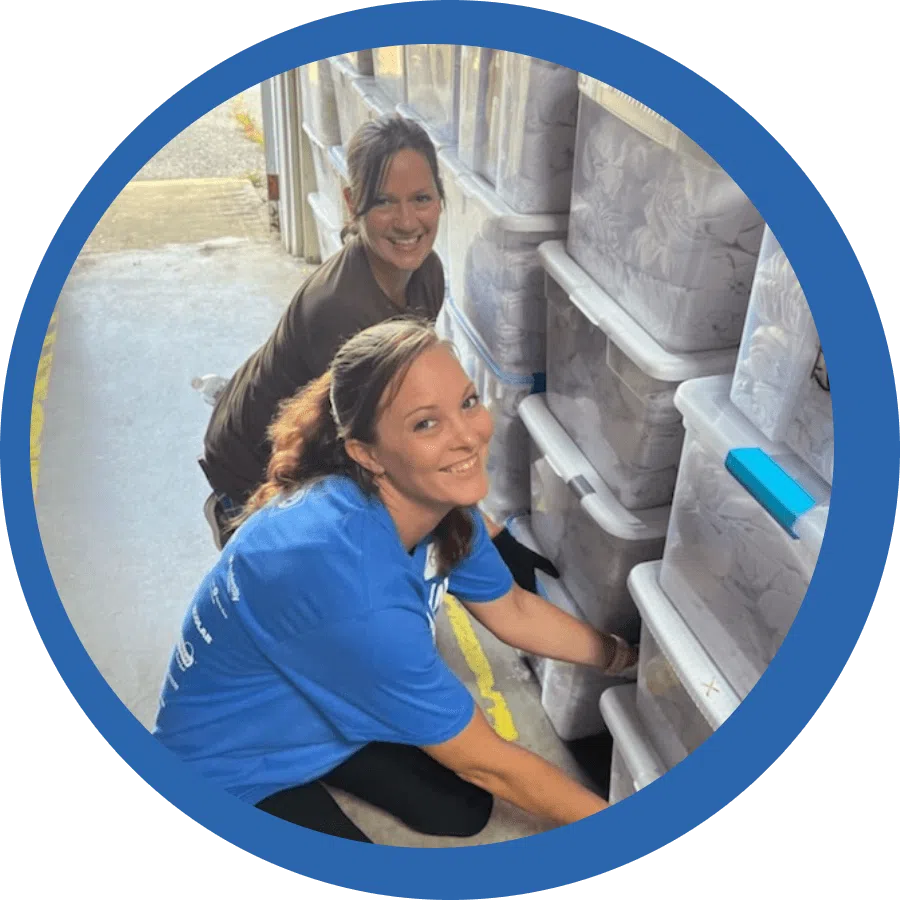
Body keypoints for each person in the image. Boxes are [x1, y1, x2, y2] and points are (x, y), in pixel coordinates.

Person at [155, 317, 638, 844]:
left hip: (315, 697)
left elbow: (514, 611)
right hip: (227, 763)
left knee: (460, 811)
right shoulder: (353, 588)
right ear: (366, 451)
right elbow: (491, 765)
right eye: (425, 424)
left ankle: (332, 739)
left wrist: (627, 658)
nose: (467, 437)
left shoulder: (435, 502)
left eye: (468, 402)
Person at [198, 112, 556, 592]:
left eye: (421, 198)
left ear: (439, 198)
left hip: (310, 421)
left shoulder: (426, 274)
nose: (408, 222)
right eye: (384, 201)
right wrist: (485, 539)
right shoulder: (342, 312)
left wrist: (487, 534)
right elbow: (389, 458)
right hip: (249, 466)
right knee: (329, 610)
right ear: (351, 203)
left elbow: (421, 411)